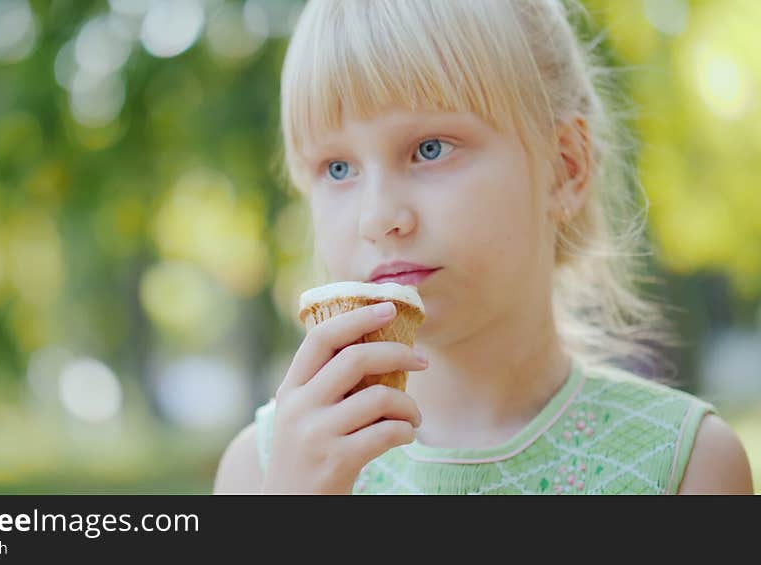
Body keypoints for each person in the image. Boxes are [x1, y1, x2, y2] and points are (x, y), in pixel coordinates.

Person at [213, 0, 754, 494]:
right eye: (337, 168)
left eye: (429, 149)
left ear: (565, 168)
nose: (377, 218)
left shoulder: (685, 465)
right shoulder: (262, 470)